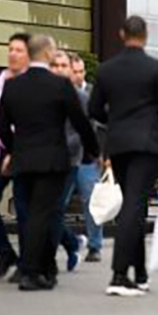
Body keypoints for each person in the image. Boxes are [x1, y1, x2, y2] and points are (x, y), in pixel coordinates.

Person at [89, 16, 158, 297]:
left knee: (133, 206)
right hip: (148, 144)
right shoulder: (156, 69)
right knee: (135, 204)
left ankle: (140, 273)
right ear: (145, 36)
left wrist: (116, 120)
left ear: (122, 34)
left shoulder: (107, 70)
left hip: (119, 145)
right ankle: (119, 275)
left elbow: (95, 110)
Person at [0, 35, 98, 291]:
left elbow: (1, 128)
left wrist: (14, 149)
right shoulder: (59, 86)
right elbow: (80, 122)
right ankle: (34, 271)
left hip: (23, 159)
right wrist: (93, 150)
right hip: (53, 160)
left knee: (29, 213)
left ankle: (39, 268)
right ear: (46, 52)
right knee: (43, 214)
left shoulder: (12, 86)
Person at [0, 33, 30, 283]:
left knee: (23, 209)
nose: (12, 54)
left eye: (19, 50)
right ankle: (5, 253)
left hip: (21, 153)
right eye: (10, 49)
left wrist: (13, 153)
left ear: (28, 55)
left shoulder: (29, 82)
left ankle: (26, 263)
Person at [50, 51, 89, 272]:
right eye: (55, 65)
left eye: (65, 66)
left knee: (56, 208)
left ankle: (54, 255)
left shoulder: (80, 97)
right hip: (47, 159)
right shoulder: (45, 94)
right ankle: (72, 243)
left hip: (71, 160)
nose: (60, 70)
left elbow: (85, 129)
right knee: (49, 209)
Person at [66, 51, 103, 263]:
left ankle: (95, 246)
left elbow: (103, 125)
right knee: (57, 204)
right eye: (76, 72)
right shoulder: (61, 94)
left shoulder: (92, 93)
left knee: (92, 202)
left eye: (82, 71)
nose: (80, 76)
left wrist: (103, 154)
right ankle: (70, 240)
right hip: (67, 156)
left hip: (88, 158)